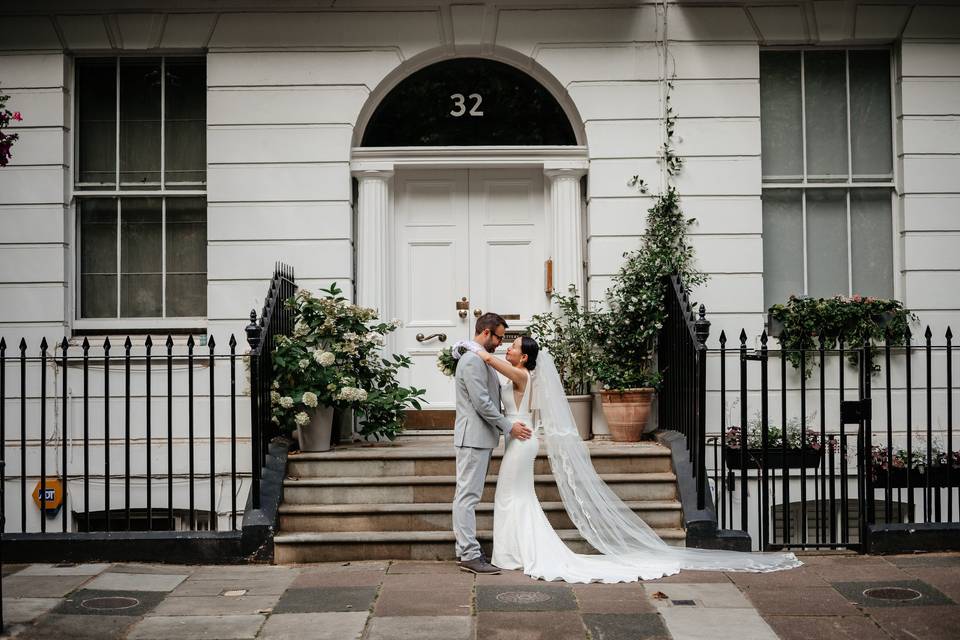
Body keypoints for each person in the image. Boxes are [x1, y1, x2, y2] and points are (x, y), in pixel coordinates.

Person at [460, 335, 802, 583]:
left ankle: (517, 553)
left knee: (512, 497)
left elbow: (488, 360)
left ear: (523, 359)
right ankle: (513, 551)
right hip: (521, 439)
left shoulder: (522, 374)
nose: (509, 347)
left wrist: (467, 346)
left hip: (522, 443)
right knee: (513, 497)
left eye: (515, 346)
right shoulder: (521, 373)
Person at [452, 313, 532, 575]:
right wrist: (508, 426)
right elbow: (483, 403)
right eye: (498, 337)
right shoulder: (473, 360)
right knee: (467, 496)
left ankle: (465, 550)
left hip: (480, 438)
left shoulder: (479, 358)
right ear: (486, 333)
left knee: (468, 495)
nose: (500, 343)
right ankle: (469, 554)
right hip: (472, 438)